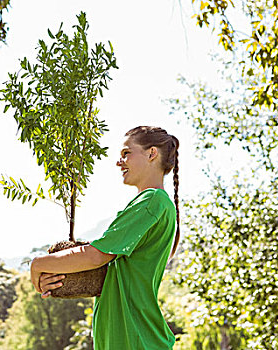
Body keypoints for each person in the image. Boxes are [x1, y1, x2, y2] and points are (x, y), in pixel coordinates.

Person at [30, 126, 180, 350]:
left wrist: (38, 265)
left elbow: (96, 256)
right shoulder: (155, 203)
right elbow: (106, 268)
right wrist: (59, 278)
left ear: (151, 153)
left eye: (126, 153)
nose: (120, 162)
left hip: (137, 340)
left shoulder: (152, 201)